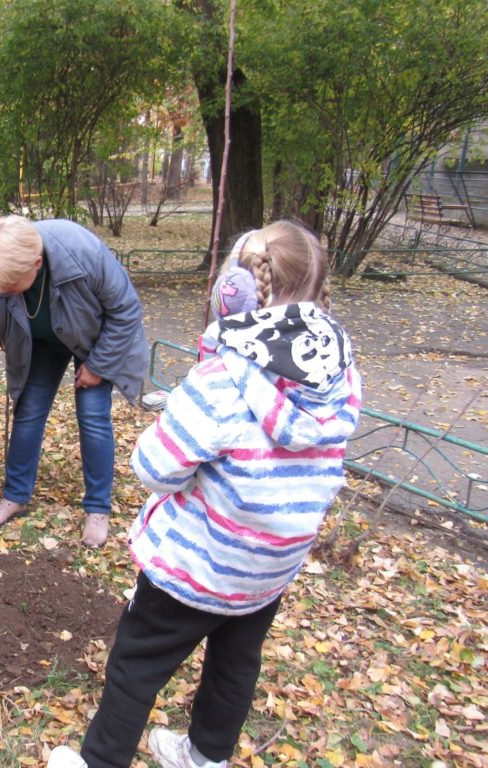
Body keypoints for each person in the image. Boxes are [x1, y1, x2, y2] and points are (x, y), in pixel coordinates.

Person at [46, 221, 363, 768]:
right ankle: (204, 756)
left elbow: (155, 467)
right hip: (269, 566)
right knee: (236, 662)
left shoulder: (225, 375)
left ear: (235, 285)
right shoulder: (340, 371)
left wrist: (184, 409)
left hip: (201, 560)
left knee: (135, 664)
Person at [0, 216, 149, 547]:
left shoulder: (81, 253)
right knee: (28, 411)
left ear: (37, 263)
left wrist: (97, 366)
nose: (0, 290)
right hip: (41, 343)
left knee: (93, 415)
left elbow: (126, 310)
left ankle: (97, 508)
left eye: (9, 284)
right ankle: (15, 496)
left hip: (95, 339)